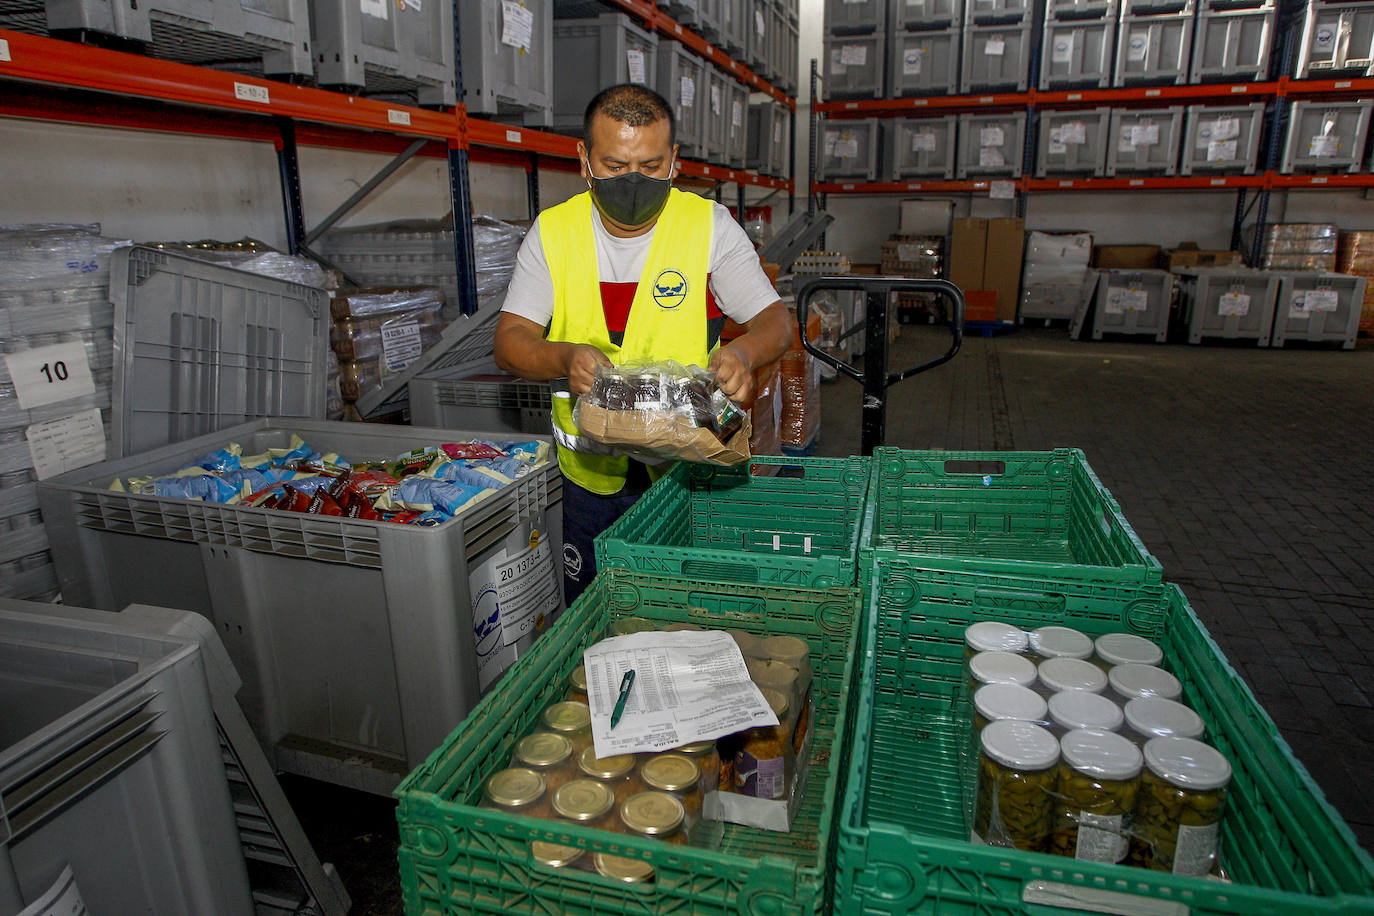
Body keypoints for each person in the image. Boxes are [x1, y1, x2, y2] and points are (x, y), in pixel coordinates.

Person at [494, 83, 793, 603]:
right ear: (583, 159)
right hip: (593, 477)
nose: (633, 181)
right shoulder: (554, 233)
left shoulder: (709, 227)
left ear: (675, 160)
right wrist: (565, 357)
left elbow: (776, 322)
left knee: (692, 605)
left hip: (691, 470)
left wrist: (744, 354)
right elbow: (510, 340)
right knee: (598, 610)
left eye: (651, 166)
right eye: (614, 166)